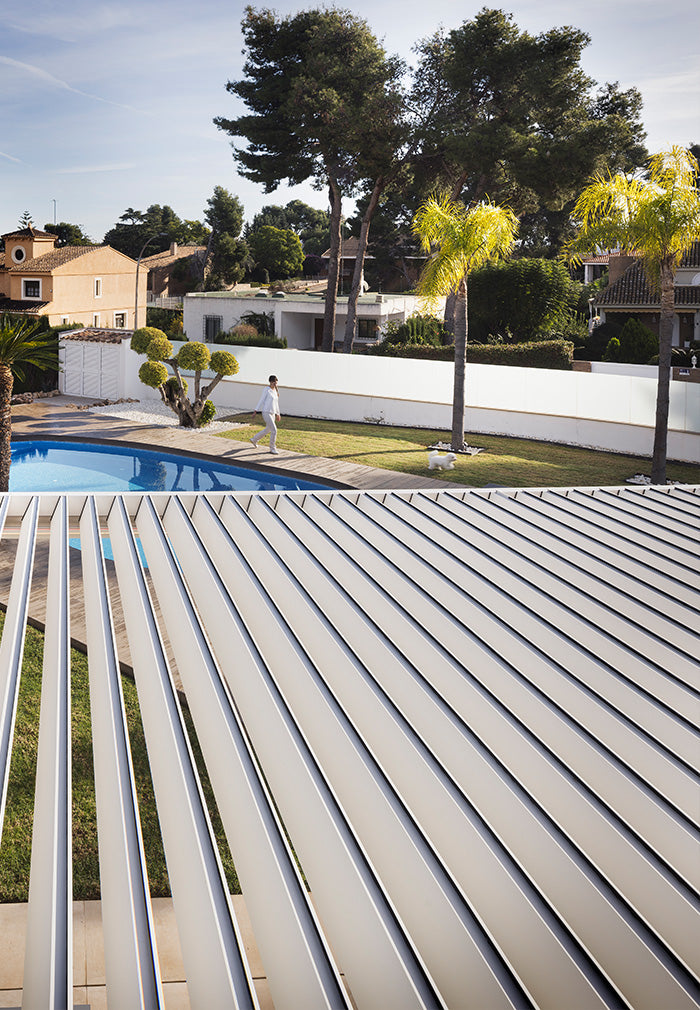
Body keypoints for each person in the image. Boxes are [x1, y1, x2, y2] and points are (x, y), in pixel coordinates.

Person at [249, 375, 281, 454]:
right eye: (274, 383)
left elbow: (276, 404)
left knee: (268, 429)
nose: (275, 385)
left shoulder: (275, 392)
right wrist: (255, 411)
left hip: (273, 413)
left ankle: (254, 439)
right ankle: (272, 448)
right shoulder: (266, 390)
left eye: (276, 383)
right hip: (266, 412)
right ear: (270, 382)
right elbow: (261, 400)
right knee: (274, 430)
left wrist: (278, 414)